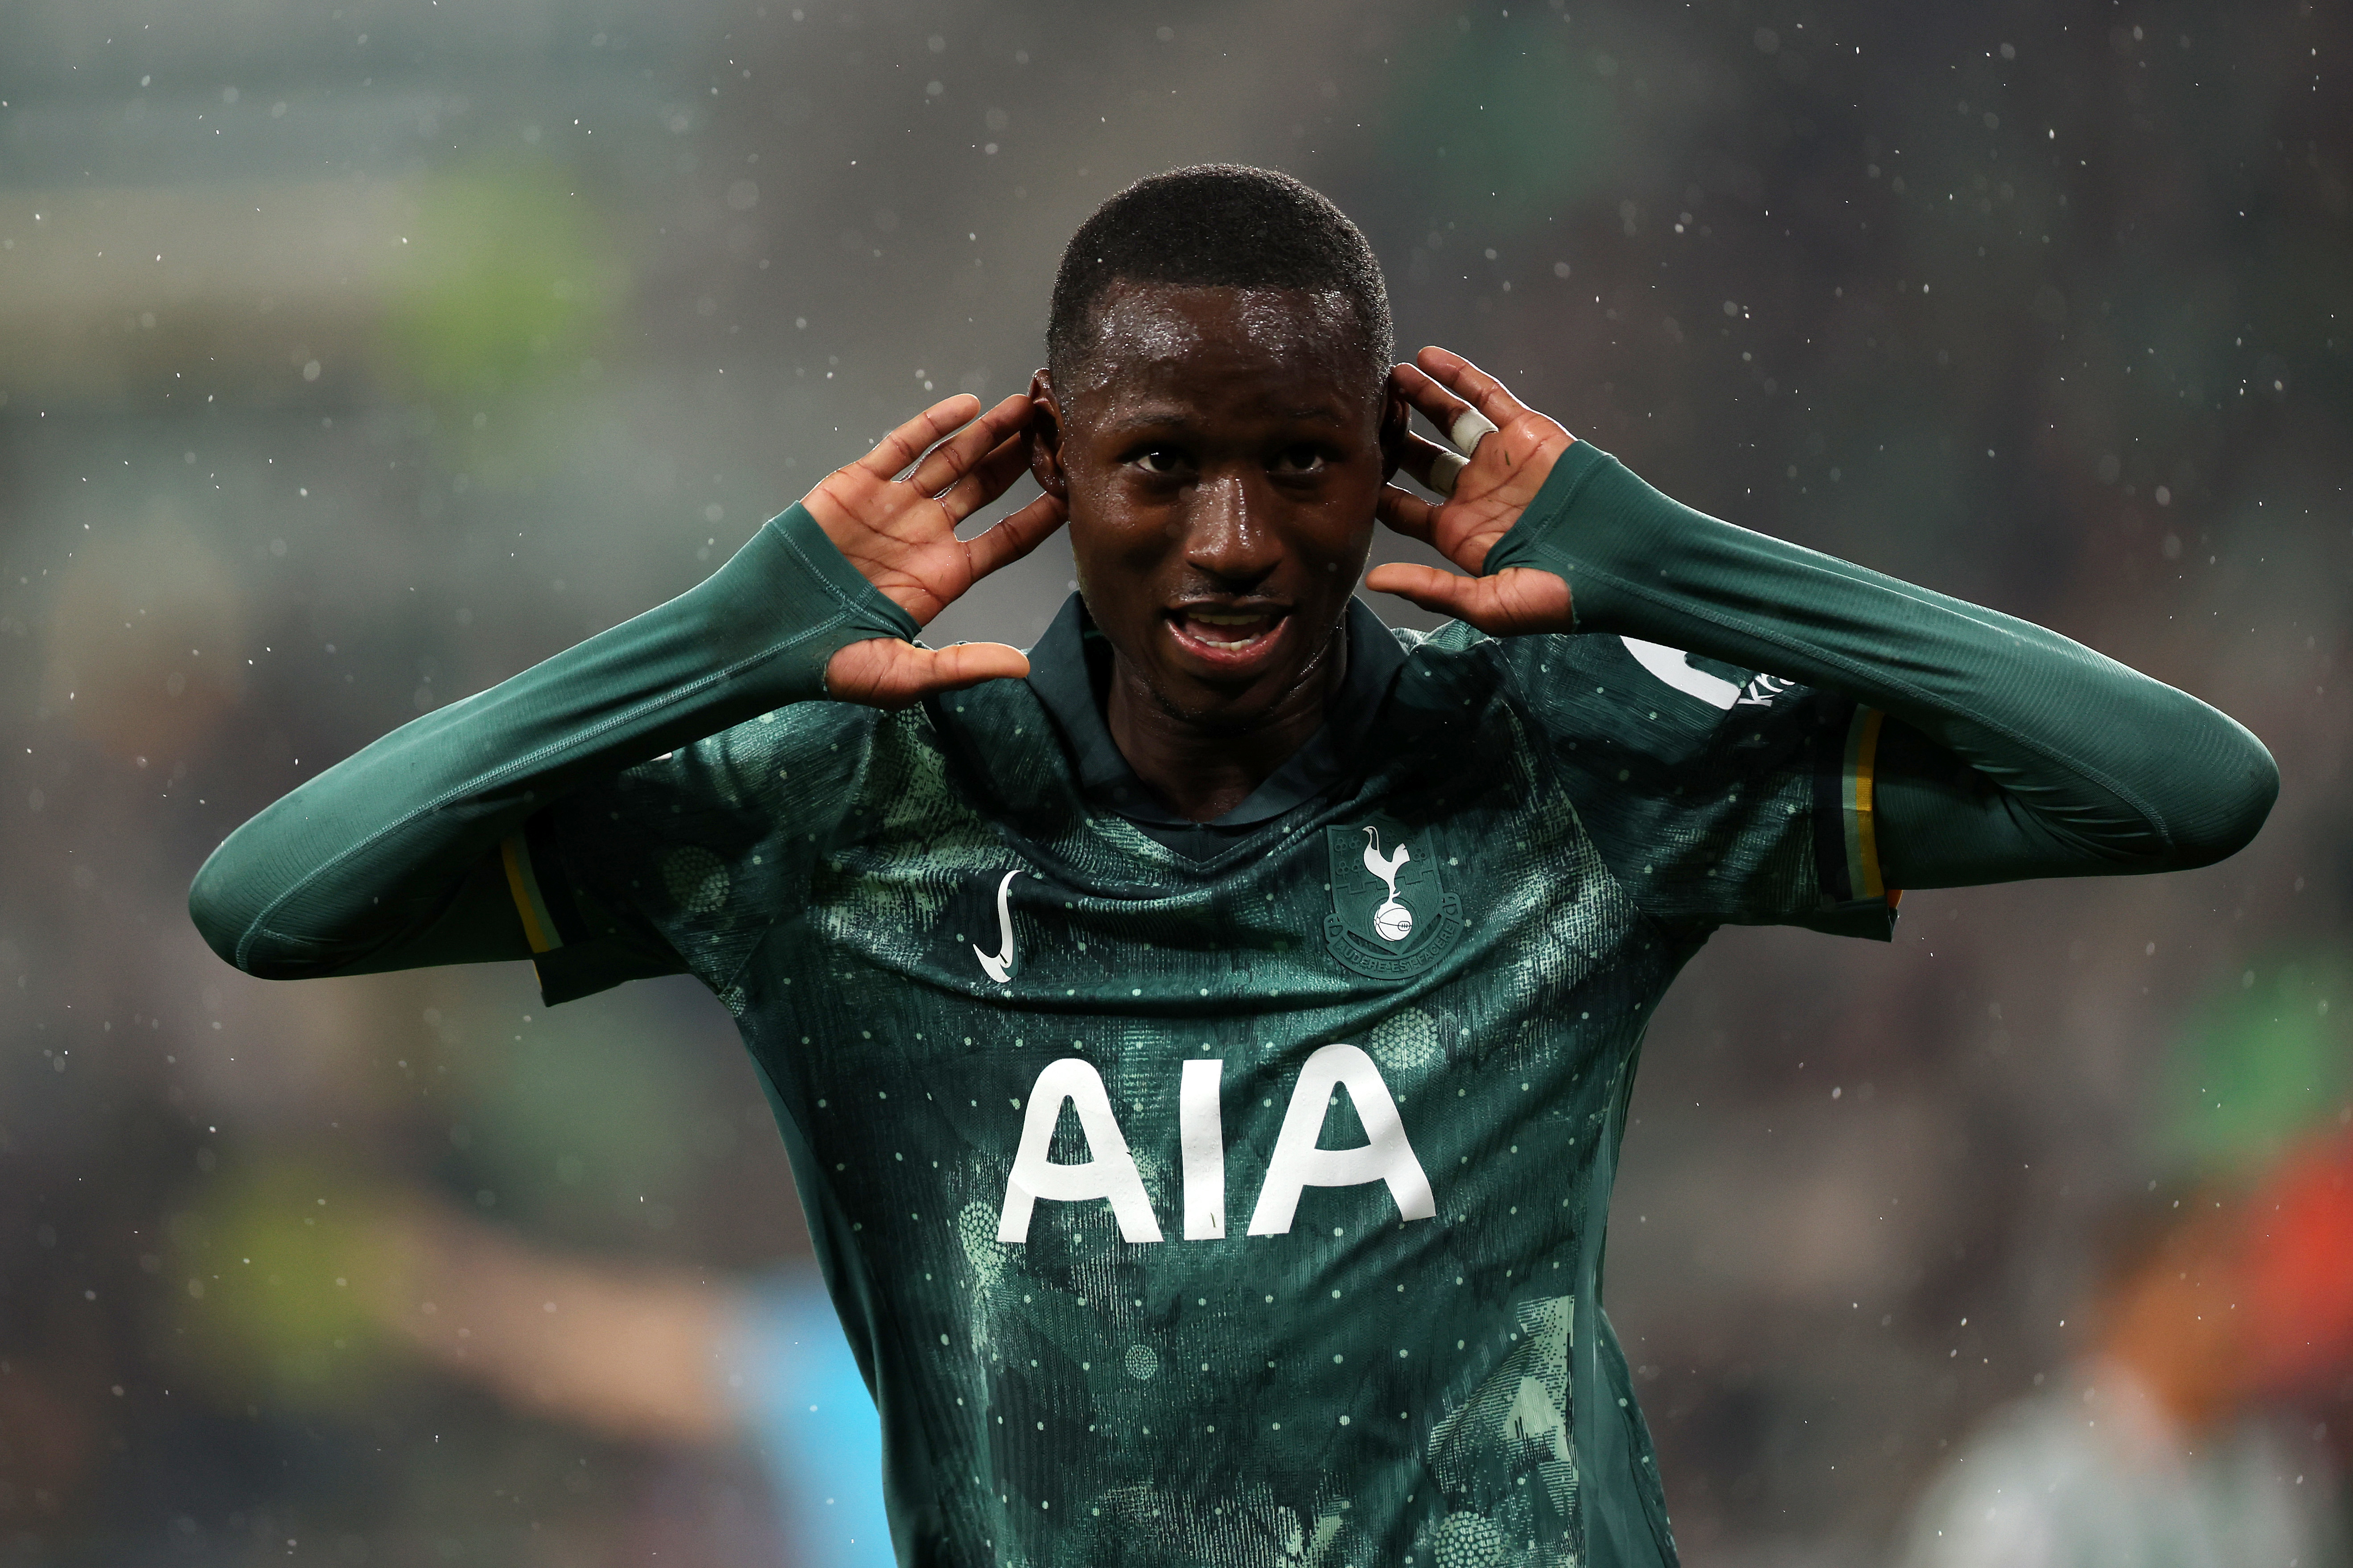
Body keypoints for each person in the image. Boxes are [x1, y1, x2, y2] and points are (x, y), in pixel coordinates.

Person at [189, 166, 2278, 1567]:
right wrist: (728, 632)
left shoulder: (1557, 769)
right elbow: (276, 902)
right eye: (1161, 462)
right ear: (1053, 466)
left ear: (1392, 466)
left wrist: (1669, 563)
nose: (1232, 539)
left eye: (1301, 461)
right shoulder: (851, 815)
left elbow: (2177, 784)